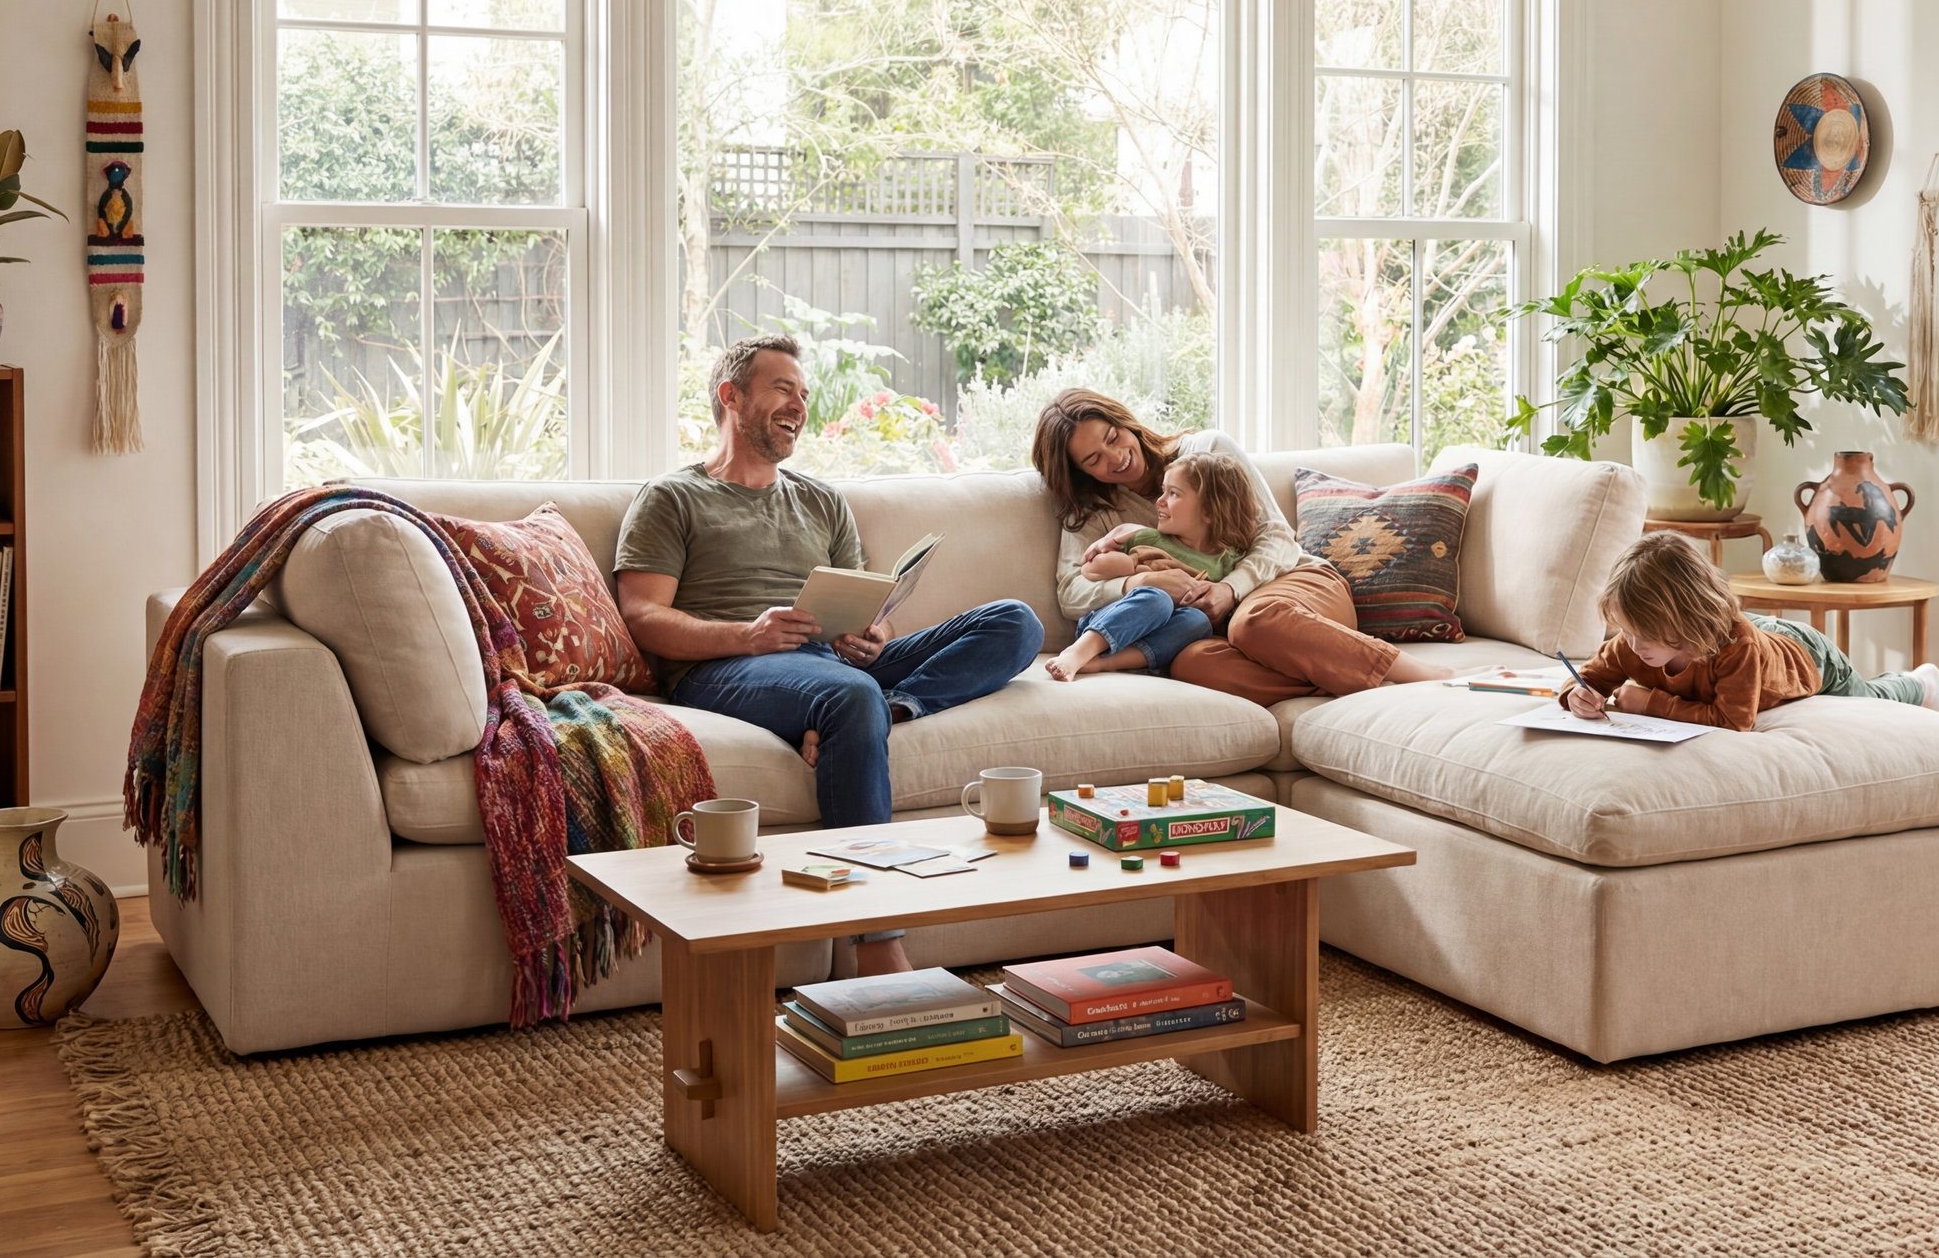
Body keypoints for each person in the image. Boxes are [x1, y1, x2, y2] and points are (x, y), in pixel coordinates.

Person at [614, 334, 1043, 976]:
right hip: (730, 666)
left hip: (832, 664)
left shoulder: (821, 499)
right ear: (731, 397)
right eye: (783, 388)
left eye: (804, 394)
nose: (799, 404)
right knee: (847, 694)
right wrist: (746, 635)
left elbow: (865, 606)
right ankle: (874, 942)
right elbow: (642, 616)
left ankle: (895, 707)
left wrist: (870, 635)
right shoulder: (673, 498)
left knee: (1015, 623)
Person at [1031, 389, 1455, 704]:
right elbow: (1072, 590)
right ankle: (1337, 669)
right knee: (1191, 664)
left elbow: (1275, 536)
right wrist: (1142, 580)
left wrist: (1229, 588)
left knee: (1254, 622)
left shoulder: (1207, 451)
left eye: (1112, 436)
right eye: (1094, 460)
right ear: (1080, 473)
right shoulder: (1095, 512)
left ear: (1125, 421)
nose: (1115, 456)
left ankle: (1410, 671)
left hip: (1293, 585)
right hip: (1225, 634)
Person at [1563, 531, 1939, 731]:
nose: (1631, 645)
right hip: (1745, 632)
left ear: (1682, 618)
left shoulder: (1735, 648)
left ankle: (1920, 684)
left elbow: (1733, 720)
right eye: (1626, 631)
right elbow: (1590, 676)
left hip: (1804, 654)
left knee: (1869, 697)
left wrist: (1649, 704)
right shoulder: (1636, 640)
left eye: (1643, 634)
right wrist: (1579, 694)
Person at [1045, 453, 1258, 682]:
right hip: (1110, 621)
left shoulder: (1229, 560)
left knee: (1197, 622)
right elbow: (1090, 569)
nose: (1160, 500)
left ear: (1209, 511)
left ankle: (1104, 664)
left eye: (1173, 493)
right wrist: (1137, 571)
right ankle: (1079, 652)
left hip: (1157, 642)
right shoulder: (1151, 539)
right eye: (1163, 490)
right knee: (1158, 599)